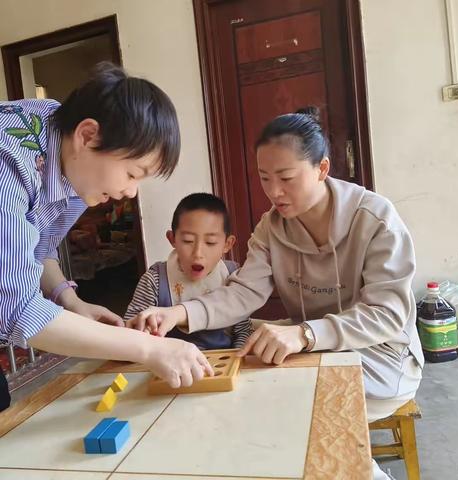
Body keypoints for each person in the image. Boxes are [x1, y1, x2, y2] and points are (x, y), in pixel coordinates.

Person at [130, 107, 424, 480]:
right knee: (250, 368)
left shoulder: (375, 220)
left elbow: (388, 315)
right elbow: (241, 293)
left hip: (381, 356)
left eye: (286, 177)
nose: (273, 191)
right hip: (316, 346)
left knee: (285, 405)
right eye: (265, 178)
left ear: (322, 168)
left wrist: (303, 333)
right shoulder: (272, 228)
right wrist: (179, 313)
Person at [0, 62, 213, 412]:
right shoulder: (8, 162)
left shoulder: (65, 150)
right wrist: (148, 348)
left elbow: (37, 247)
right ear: (88, 135)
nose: (130, 192)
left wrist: (70, 300)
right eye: (132, 173)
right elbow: (19, 310)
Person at [125, 192, 253, 349]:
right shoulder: (155, 279)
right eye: (188, 241)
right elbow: (131, 329)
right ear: (172, 239)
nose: (198, 253)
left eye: (210, 242)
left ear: (227, 243)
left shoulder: (232, 276)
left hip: (224, 361)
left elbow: (243, 330)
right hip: (171, 361)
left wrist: (236, 359)